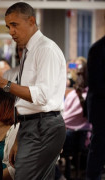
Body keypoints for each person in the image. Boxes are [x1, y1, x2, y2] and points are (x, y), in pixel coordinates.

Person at [0, 2, 66, 179]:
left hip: (43, 125)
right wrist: (18, 137)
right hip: (31, 124)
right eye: (8, 26)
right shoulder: (29, 51)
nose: (11, 31)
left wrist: (4, 83)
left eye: (15, 25)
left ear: (31, 21)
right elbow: (25, 103)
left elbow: (41, 96)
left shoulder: (45, 49)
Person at [62, 58, 91, 179]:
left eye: (81, 73)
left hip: (76, 134)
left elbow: (87, 114)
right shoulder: (77, 94)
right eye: (78, 73)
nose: (79, 77)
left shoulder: (78, 94)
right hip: (76, 135)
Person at [86, 35, 105, 180]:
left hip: (99, 110)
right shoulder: (98, 48)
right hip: (102, 112)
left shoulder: (97, 48)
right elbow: (95, 84)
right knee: (97, 154)